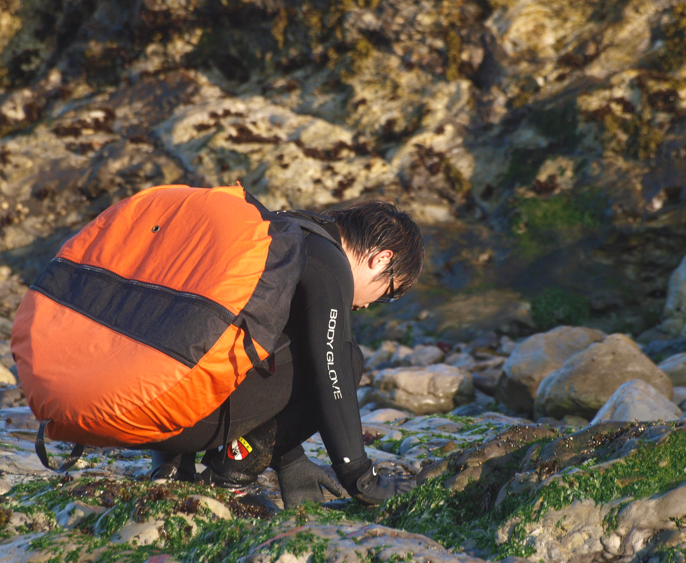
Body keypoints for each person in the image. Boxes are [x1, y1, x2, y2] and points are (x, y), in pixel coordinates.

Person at [11, 184, 424, 508]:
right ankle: (229, 475)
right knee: (347, 359)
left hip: (142, 408)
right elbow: (328, 367)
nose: (369, 303)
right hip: (182, 420)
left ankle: (171, 466)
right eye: (389, 292)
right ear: (381, 259)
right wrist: (361, 479)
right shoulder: (330, 265)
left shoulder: (282, 231)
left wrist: (292, 461)